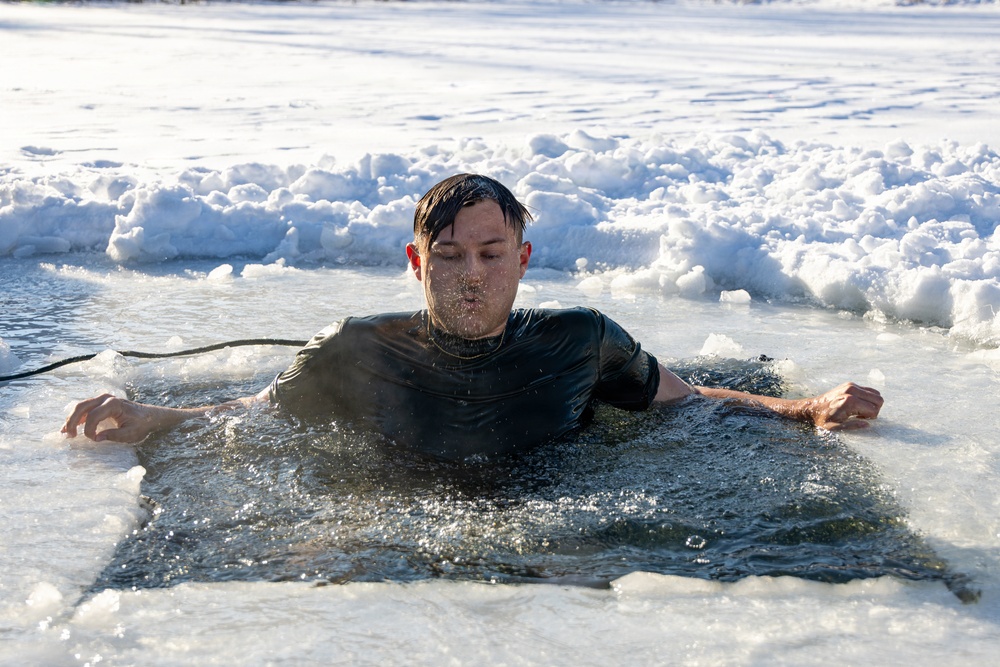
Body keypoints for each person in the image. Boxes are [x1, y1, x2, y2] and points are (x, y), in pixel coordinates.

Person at [62, 174, 883, 458]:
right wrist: (154, 415)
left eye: (491, 254)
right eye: (449, 256)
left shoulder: (580, 339)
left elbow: (689, 396)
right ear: (417, 261)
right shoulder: (358, 347)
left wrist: (806, 408)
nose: (471, 277)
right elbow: (257, 411)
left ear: (522, 259)